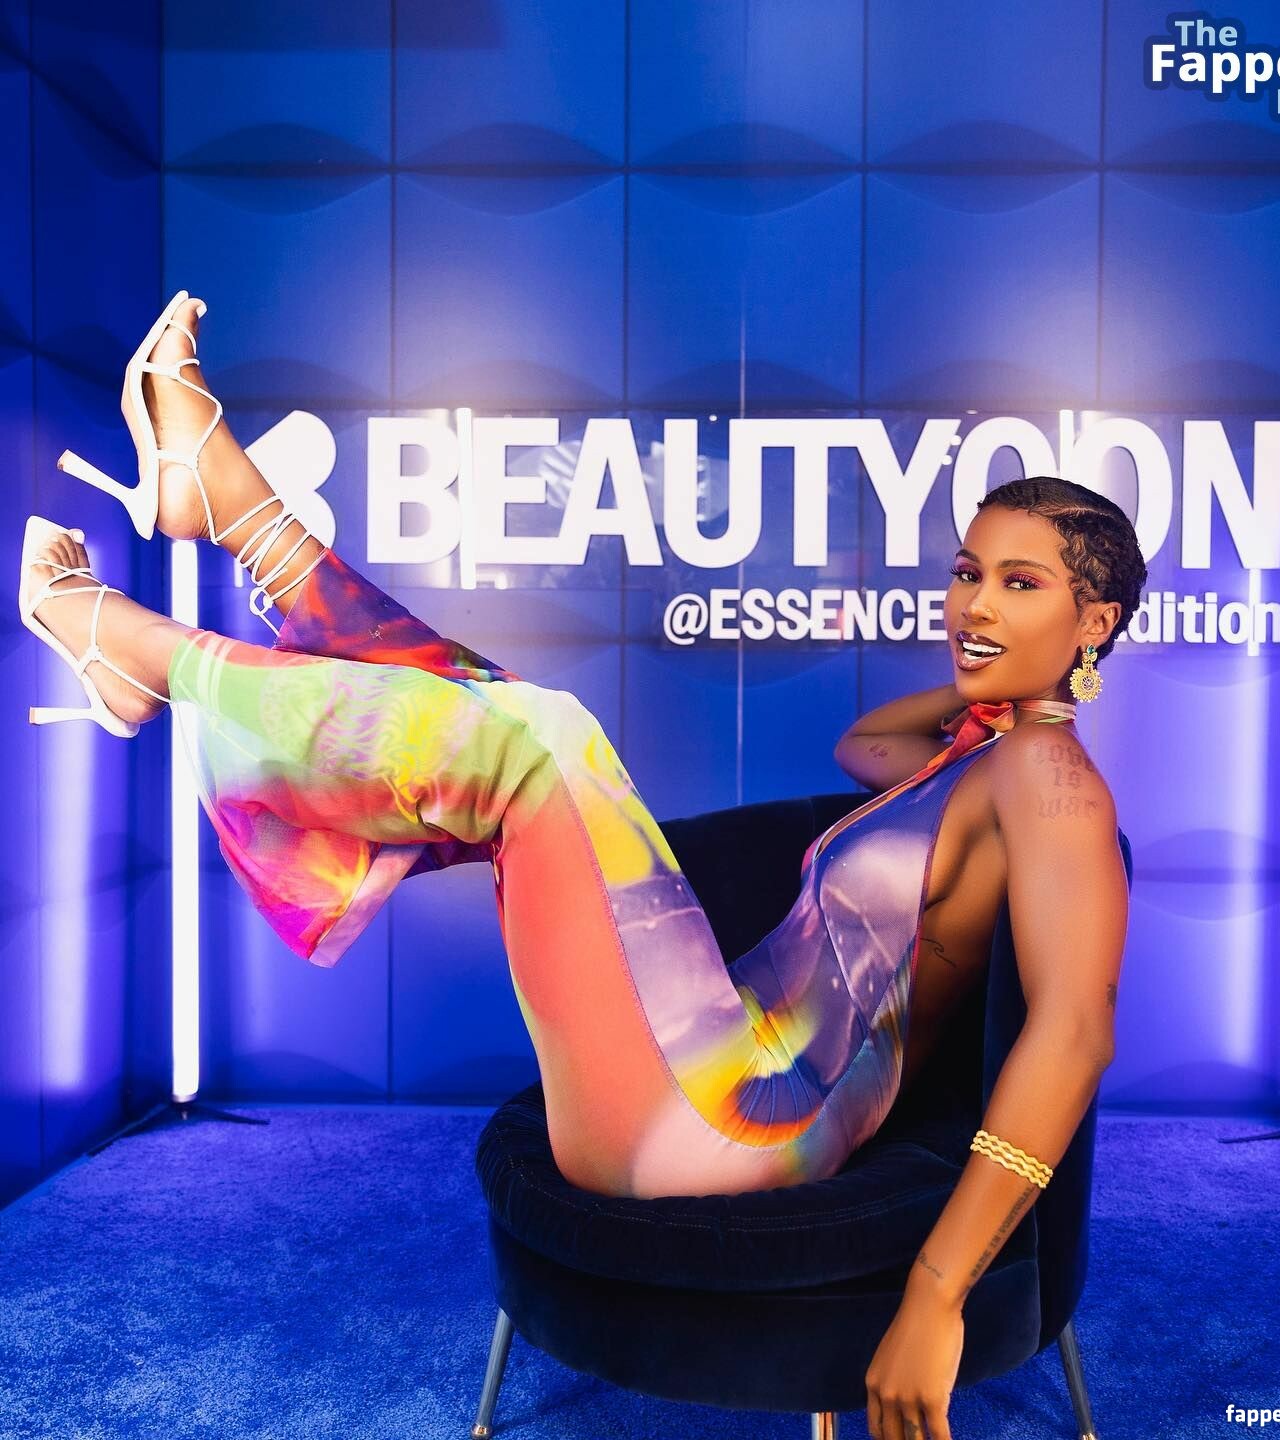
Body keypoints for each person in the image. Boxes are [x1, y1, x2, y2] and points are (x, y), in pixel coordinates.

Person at [20, 292, 1143, 1440]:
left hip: (738, 1124)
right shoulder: (988, 757)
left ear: (1096, 619)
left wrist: (937, 1292)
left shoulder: (1054, 786)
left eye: (1020, 585)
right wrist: (993, 685)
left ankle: (147, 644)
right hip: (714, 1040)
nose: (972, 606)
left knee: (534, 741)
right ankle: (233, 515)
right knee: (533, 721)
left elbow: (1072, 1037)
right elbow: (866, 748)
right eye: (967, 573)